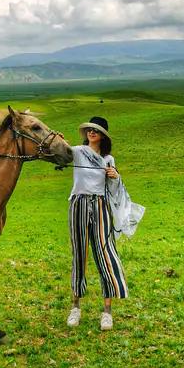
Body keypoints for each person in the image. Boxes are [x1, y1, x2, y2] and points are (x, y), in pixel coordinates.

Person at [66, 116, 128, 331]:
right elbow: (58, 153)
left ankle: (107, 312)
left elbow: (114, 190)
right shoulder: (77, 151)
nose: (92, 132)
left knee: (105, 254)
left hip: (100, 206)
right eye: (90, 129)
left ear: (103, 135)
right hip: (79, 204)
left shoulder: (109, 159)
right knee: (79, 254)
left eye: (97, 130)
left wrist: (115, 176)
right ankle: (75, 307)